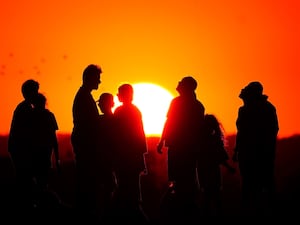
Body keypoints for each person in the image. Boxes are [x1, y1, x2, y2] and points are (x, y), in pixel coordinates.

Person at [157, 76, 205, 221]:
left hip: (183, 148)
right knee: (182, 179)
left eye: (181, 83)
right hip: (183, 148)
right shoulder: (196, 105)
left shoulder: (182, 104)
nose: (177, 84)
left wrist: (162, 141)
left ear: (187, 87)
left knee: (182, 179)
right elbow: (169, 122)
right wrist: (162, 140)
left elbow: (169, 122)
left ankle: (183, 210)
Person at [232, 81, 279, 215]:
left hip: (259, 153)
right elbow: (241, 132)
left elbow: (272, 130)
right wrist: (237, 150)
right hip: (251, 153)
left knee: (261, 183)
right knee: (251, 183)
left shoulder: (266, 108)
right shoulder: (247, 109)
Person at [113, 83, 149, 223]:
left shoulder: (120, 112)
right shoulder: (135, 111)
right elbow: (140, 135)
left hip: (124, 156)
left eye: (119, 93)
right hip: (131, 156)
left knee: (125, 186)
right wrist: (141, 157)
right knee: (132, 186)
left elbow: (117, 135)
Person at [71, 64, 102, 221]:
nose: (100, 82)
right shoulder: (84, 97)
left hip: (85, 143)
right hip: (86, 145)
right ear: (90, 78)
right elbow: (89, 124)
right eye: (98, 78)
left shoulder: (84, 96)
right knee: (86, 181)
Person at [8, 79, 39, 208]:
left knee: (24, 178)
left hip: (18, 148)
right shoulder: (25, 109)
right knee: (24, 179)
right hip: (21, 150)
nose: (37, 94)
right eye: (35, 91)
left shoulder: (23, 107)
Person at [197, 114, 235, 216]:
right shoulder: (214, 140)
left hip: (203, 171)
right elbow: (221, 157)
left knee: (207, 196)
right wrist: (229, 167)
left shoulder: (199, 141)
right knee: (215, 197)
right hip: (213, 172)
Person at [31, 92, 60, 195]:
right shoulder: (49, 116)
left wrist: (57, 158)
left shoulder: (31, 116)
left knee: (39, 182)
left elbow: (53, 138)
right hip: (42, 154)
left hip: (37, 155)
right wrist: (57, 158)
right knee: (43, 182)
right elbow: (54, 138)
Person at [95, 92, 117, 221]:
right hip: (107, 159)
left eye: (101, 103)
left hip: (105, 160)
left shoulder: (101, 120)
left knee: (107, 188)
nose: (100, 106)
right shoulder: (114, 120)